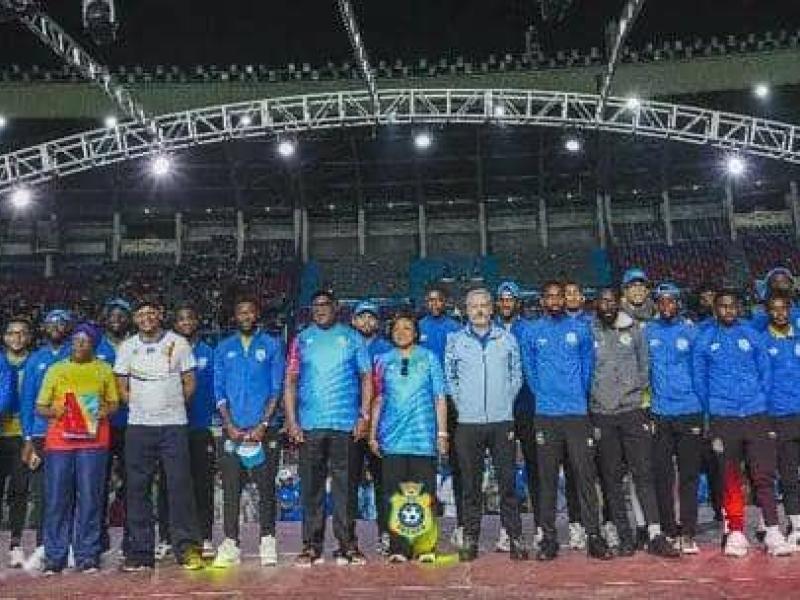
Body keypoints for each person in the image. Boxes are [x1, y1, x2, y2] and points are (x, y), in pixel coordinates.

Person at [693, 289, 792, 557]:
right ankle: (736, 531)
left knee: (763, 474)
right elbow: (699, 380)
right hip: (723, 416)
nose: (728, 311)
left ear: (739, 308)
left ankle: (772, 530)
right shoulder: (705, 340)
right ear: (716, 310)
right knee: (730, 476)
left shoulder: (751, 335)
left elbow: (766, 371)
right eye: (723, 307)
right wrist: (714, 406)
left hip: (755, 413)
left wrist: (758, 398)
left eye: (733, 306)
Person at [521, 281, 612, 561]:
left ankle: (594, 536)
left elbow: (587, 368)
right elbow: (530, 371)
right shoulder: (532, 331)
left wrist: (574, 395)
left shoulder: (580, 329)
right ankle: (548, 539)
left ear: (565, 299)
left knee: (585, 477)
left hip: (576, 414)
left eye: (559, 296)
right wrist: (547, 396)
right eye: (549, 297)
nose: (555, 301)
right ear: (542, 301)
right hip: (547, 415)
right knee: (547, 479)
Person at [113, 295, 204, 571]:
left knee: (179, 486)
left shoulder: (178, 342)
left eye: (151, 313)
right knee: (137, 489)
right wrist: (143, 407)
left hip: (173, 425)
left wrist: (169, 405)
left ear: (160, 315)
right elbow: (121, 386)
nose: (146, 318)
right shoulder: (127, 347)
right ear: (135, 319)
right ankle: (141, 552)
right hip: (139, 427)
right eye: (141, 314)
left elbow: (190, 383)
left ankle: (187, 548)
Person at [284, 290, 372, 567]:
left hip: (345, 424)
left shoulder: (352, 337)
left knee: (346, 487)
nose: (320, 309)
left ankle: (348, 545)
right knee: (311, 487)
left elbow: (367, 378)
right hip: (310, 425)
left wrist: (365, 415)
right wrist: (292, 420)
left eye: (325, 305)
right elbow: (290, 381)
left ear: (336, 308)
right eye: (316, 305)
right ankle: (311, 546)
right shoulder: (301, 340)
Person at [591, 287, 679, 557]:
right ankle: (625, 535)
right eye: (601, 300)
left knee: (643, 473)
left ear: (619, 302)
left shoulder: (635, 330)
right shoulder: (589, 331)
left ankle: (654, 533)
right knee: (611, 478)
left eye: (610, 300)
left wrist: (633, 392)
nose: (606, 305)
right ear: (596, 304)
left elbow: (645, 366)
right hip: (602, 413)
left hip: (632, 411)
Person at [444, 287, 527, 561]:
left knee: (507, 483)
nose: (479, 310)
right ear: (466, 311)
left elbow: (517, 376)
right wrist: (464, 405)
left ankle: (515, 538)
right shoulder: (455, 341)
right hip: (468, 423)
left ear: (492, 308)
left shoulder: (507, 339)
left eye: (484, 305)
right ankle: (470, 540)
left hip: (502, 420)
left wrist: (504, 401)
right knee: (470, 486)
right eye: (473, 306)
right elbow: (451, 379)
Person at [36, 323, 119, 574]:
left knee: (91, 498)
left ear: (94, 344)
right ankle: (55, 556)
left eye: (85, 341)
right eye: (76, 340)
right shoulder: (56, 369)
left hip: (94, 442)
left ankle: (87, 555)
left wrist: (102, 411)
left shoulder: (103, 369)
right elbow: (40, 407)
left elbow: (114, 403)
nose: (80, 344)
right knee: (57, 499)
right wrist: (55, 411)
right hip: (60, 443)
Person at [369, 311, 448, 563]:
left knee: (424, 494)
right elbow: (378, 399)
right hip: (392, 438)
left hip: (423, 437)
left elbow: (439, 397)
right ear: (391, 333)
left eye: (407, 328)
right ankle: (399, 548)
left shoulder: (429, 358)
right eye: (397, 328)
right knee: (394, 494)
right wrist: (372, 434)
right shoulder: (382, 361)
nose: (402, 332)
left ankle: (425, 546)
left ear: (415, 332)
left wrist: (442, 432)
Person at [212, 295, 284, 568]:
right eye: (240, 312)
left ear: (257, 315)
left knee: (265, 488)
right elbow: (219, 389)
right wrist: (229, 425)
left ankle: (268, 540)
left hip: (264, 431)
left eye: (249, 311)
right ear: (235, 316)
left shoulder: (272, 345)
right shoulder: (223, 347)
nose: (245, 316)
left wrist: (263, 425)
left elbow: (276, 389)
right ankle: (231, 542)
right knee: (231, 488)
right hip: (232, 430)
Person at [645, 283, 704, 554]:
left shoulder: (691, 331)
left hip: (689, 409)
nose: (667, 306)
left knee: (689, 474)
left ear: (678, 304)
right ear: (656, 304)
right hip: (660, 412)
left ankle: (689, 530)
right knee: (662, 474)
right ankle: (669, 530)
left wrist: (702, 408)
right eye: (662, 302)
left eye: (672, 301)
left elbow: (700, 371)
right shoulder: (648, 331)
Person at [157, 302, 217, 560]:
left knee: (202, 484)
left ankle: (204, 536)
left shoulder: (209, 353)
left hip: (200, 427)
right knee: (168, 484)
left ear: (197, 321)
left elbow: (217, 389)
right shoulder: (165, 352)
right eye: (180, 319)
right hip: (169, 427)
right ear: (174, 323)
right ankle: (167, 538)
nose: (186, 323)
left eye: (190, 318)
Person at [20, 309, 73, 571]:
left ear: (68, 327)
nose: (55, 326)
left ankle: (69, 545)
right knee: (43, 493)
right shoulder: (36, 359)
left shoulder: (75, 354)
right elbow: (27, 401)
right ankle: (43, 545)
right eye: (51, 322)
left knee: (68, 491)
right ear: (44, 328)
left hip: (70, 435)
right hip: (41, 435)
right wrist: (28, 439)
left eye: (60, 322)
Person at [494, 281, 538, 552]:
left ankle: (541, 527)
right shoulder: (490, 331)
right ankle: (508, 529)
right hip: (500, 410)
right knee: (505, 472)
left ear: (518, 303)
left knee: (536, 469)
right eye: (503, 300)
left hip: (528, 408)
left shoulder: (529, 330)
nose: (506, 304)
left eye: (511, 300)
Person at [418, 286, 463, 546]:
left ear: (446, 302)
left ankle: (460, 523)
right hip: (424, 404)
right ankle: (424, 524)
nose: (434, 303)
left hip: (451, 402)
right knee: (424, 465)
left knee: (457, 462)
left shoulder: (455, 329)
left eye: (439, 300)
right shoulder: (417, 327)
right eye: (430, 299)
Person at [350, 301, 393, 553]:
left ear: (378, 322)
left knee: (383, 482)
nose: (366, 322)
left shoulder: (387, 350)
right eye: (361, 317)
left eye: (371, 318)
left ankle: (386, 533)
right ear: (353, 321)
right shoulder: (345, 345)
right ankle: (348, 537)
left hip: (382, 425)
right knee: (349, 484)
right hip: (352, 424)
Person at [762, 294, 800, 549]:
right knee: (784, 475)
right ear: (768, 312)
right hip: (777, 416)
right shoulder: (762, 340)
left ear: (790, 310)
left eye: (784, 309)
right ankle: (790, 525)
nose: (780, 314)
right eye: (774, 310)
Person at [95, 298, 132, 556]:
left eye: (122, 315)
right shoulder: (93, 346)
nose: (117, 319)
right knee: (98, 482)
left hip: (133, 424)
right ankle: (98, 537)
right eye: (113, 315)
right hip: (101, 426)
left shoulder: (136, 346)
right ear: (105, 319)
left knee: (133, 484)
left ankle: (133, 539)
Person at [0, 317, 32, 568]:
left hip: (25, 436)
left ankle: (16, 543)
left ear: (28, 337)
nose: (17, 337)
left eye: (22, 333)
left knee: (19, 491)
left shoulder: (37, 363)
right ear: (5, 337)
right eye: (12, 332)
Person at [750, 267, 800, 331]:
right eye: (776, 281)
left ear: (791, 284)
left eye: (784, 281)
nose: (780, 285)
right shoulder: (760, 310)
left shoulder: (797, 304)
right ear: (769, 285)